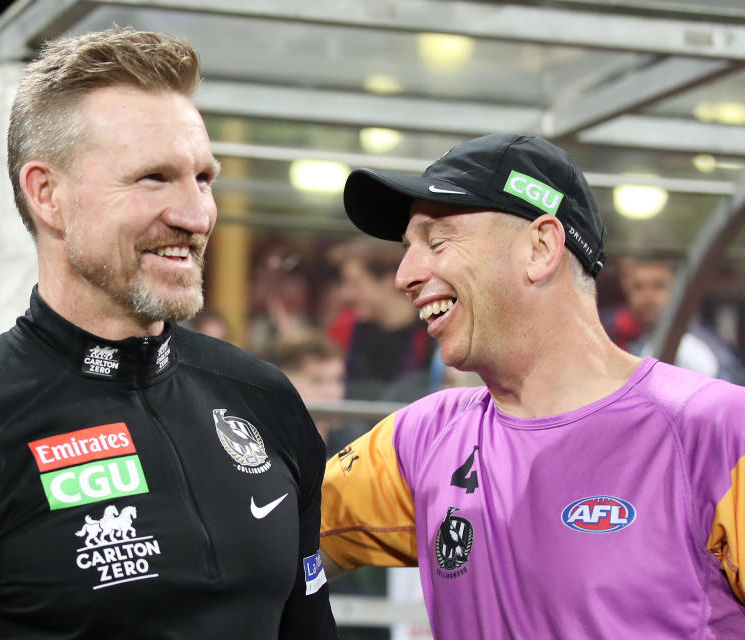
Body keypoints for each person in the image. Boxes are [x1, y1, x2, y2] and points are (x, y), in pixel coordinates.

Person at [0, 28, 336, 639]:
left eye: (203, 178)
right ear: (47, 194)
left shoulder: (264, 402)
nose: (197, 214)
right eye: (154, 177)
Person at [319, 133, 745, 638]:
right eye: (408, 248)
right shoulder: (421, 438)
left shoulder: (716, 431)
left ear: (540, 248)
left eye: (436, 241)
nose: (405, 275)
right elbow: (264, 543)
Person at [328, 238, 442, 402]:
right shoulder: (345, 328)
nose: (345, 294)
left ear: (388, 283)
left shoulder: (434, 329)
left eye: (355, 283)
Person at [618, 256, 745, 384]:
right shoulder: (647, 342)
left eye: (658, 286)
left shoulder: (688, 346)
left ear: (679, 289)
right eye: (638, 287)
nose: (647, 297)